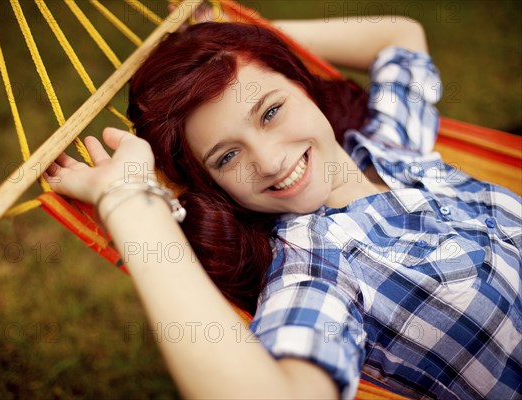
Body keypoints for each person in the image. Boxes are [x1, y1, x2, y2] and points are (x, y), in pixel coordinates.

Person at [44, 12, 522, 400]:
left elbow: (401, 37)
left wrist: (243, 35)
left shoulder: (391, 148)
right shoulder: (318, 266)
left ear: (302, 83)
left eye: (271, 111)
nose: (270, 161)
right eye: (227, 156)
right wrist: (129, 201)